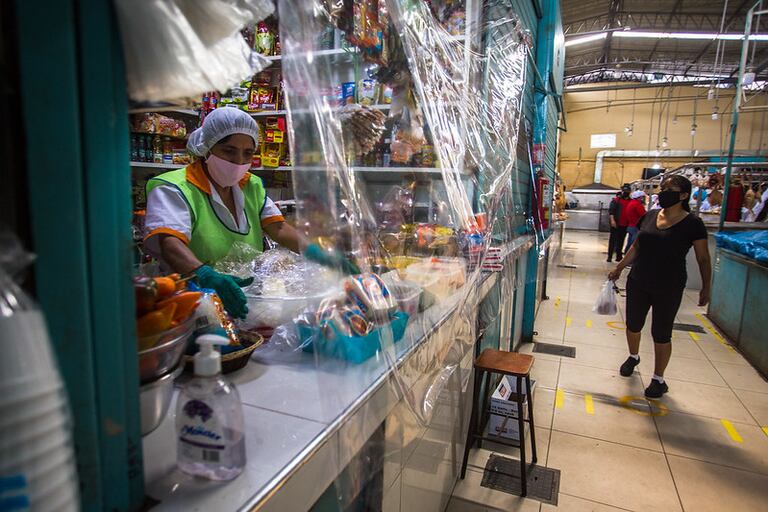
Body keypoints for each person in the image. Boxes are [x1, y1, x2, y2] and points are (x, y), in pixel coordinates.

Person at [144, 108, 301, 318]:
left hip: (243, 296)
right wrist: (205, 274)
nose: (238, 161)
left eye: (248, 153)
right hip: (191, 303)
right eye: (229, 150)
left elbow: (279, 228)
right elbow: (170, 243)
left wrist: (322, 255)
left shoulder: (250, 185)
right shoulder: (173, 187)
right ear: (208, 147)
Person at [608, 175, 711, 399]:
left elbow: (703, 258)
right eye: (662, 188)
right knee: (633, 324)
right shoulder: (651, 215)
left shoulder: (693, 223)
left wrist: (706, 287)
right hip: (639, 279)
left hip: (669, 285)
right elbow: (637, 245)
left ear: (684, 195)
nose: (663, 192)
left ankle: (658, 379)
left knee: (661, 333)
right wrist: (620, 267)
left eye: (669, 189)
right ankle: (633, 356)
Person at [607, 184, 631, 262]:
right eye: (624, 191)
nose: (626, 192)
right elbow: (611, 212)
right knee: (612, 240)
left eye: (627, 191)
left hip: (625, 224)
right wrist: (612, 220)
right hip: (616, 223)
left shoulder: (630, 201)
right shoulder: (616, 200)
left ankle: (618, 256)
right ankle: (609, 256)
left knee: (621, 241)